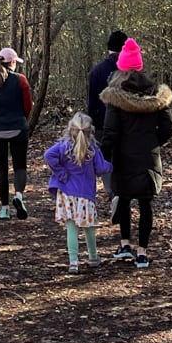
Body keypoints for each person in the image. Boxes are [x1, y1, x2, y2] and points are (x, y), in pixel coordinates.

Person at [100, 38, 172, 269]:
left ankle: (124, 245)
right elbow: (168, 128)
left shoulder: (115, 96)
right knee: (145, 204)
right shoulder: (156, 95)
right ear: (140, 67)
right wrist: (153, 142)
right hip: (148, 157)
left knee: (122, 198)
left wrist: (103, 156)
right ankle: (142, 252)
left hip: (123, 157)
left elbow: (110, 132)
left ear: (121, 67)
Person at [44, 112, 112, 274]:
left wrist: (61, 173)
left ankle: (73, 261)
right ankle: (93, 258)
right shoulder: (93, 149)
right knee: (88, 228)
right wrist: (113, 166)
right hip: (86, 195)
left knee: (71, 228)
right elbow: (102, 168)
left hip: (67, 194)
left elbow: (48, 155)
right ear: (90, 131)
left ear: (70, 129)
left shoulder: (63, 146)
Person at [0, 47, 33, 220]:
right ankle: (19, 196)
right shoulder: (20, 79)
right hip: (18, 127)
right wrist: (23, 119)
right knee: (20, 166)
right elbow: (28, 105)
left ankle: (4, 209)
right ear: (12, 62)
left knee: (1, 169)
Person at [87, 29, 127, 199]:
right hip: (127, 124)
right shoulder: (131, 70)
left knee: (106, 158)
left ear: (108, 48)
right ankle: (123, 193)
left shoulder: (97, 71)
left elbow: (92, 102)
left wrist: (92, 124)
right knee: (124, 158)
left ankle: (112, 193)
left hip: (103, 124)